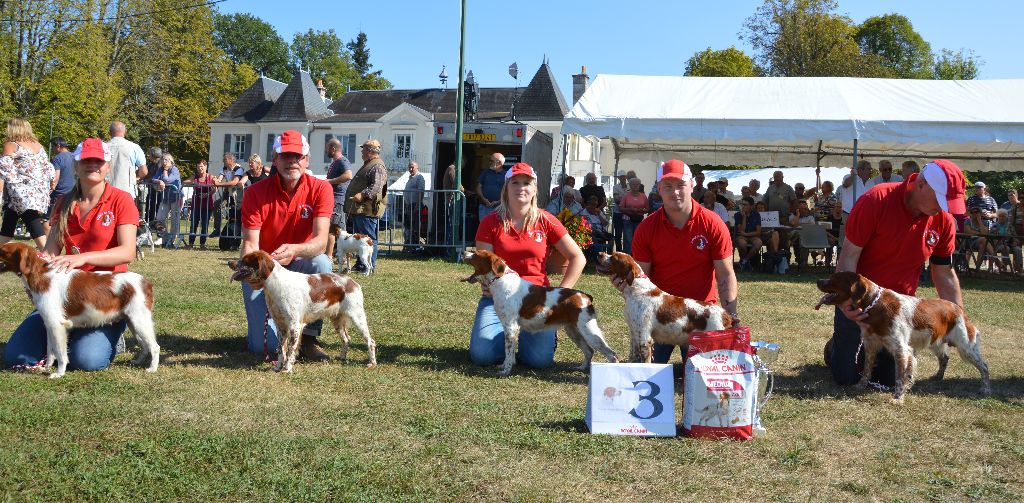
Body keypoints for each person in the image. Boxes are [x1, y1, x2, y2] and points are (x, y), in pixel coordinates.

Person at [824, 160, 967, 387]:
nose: (943, 208)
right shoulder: (875, 200)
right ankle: (836, 347)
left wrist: (959, 320)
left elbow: (944, 274)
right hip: (859, 301)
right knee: (847, 379)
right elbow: (849, 256)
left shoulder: (943, 221)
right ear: (921, 184)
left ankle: (870, 350)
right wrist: (848, 305)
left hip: (897, 311)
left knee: (891, 379)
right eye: (940, 200)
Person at [4, 138, 138, 372]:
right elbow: (50, 252)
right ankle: (69, 333)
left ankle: (113, 336)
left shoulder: (121, 200)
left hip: (104, 298)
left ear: (108, 165)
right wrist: (30, 273)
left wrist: (83, 258)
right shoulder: (64, 203)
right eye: (86, 160)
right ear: (76, 165)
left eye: (99, 161)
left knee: (87, 361)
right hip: (62, 294)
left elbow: (127, 252)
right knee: (17, 356)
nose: (93, 165)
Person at [469, 162, 586, 368]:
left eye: (526, 183)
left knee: (538, 361)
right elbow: (483, 264)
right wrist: (486, 284)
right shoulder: (490, 222)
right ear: (506, 187)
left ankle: (539, 338)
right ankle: (508, 340)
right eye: (515, 182)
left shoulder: (546, 220)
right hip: (500, 298)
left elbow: (578, 257)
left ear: (534, 190)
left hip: (538, 300)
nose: (521, 187)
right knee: (483, 356)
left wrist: (562, 293)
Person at [622, 159, 739, 363]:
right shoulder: (647, 228)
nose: (675, 192)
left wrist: (730, 315)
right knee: (646, 371)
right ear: (659, 189)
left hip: (699, 318)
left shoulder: (713, 224)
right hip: (659, 316)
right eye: (668, 186)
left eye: (680, 185)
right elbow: (642, 278)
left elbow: (725, 274)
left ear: (692, 186)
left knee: (702, 376)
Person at [239, 130, 333, 360]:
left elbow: (321, 241)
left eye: (298, 156)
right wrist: (253, 274)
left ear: (307, 160)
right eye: (286, 155)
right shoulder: (254, 192)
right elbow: (250, 244)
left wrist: (295, 249)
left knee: (321, 261)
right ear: (275, 158)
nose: (292, 161)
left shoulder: (322, 189)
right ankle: (277, 331)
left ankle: (309, 338)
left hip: (300, 265)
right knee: (265, 348)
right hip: (266, 270)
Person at [0, 118, 53, 249]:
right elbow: (48, 169)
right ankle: (3, 254)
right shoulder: (38, 145)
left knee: (32, 221)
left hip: (21, 193)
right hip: (38, 192)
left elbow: (4, 170)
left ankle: (49, 257)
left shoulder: (11, 145)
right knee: (8, 226)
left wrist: (4, 191)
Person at [344, 139, 387, 273]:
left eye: (364, 149)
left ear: (370, 151)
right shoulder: (370, 164)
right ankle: (361, 264)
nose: (362, 151)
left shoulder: (377, 166)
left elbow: (376, 187)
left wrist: (362, 195)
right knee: (362, 239)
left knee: (368, 239)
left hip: (367, 209)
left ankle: (368, 265)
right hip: (361, 209)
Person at [323, 139, 353, 265]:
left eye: (327, 148)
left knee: (332, 229)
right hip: (335, 199)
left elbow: (348, 175)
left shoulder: (342, 161)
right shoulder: (335, 163)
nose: (326, 151)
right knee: (342, 231)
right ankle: (346, 259)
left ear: (333, 149)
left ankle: (328, 258)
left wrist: (329, 182)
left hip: (337, 199)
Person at [105, 121, 147, 201]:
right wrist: (136, 178)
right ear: (125, 132)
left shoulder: (103, 147)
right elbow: (144, 171)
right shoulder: (134, 147)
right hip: (127, 191)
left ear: (110, 133)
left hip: (106, 191)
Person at [151, 153, 182, 249]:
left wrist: (164, 171)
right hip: (165, 197)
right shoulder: (160, 169)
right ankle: (164, 238)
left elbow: (167, 180)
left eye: (166, 160)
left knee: (174, 219)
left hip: (176, 197)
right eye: (163, 160)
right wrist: (159, 181)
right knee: (160, 217)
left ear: (171, 161)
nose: (164, 162)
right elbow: (153, 178)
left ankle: (171, 240)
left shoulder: (174, 170)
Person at [182, 159, 215, 249]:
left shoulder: (210, 177)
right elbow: (184, 182)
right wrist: (192, 182)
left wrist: (206, 194)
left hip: (207, 204)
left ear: (206, 167)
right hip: (196, 204)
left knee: (204, 225)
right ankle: (191, 244)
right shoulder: (195, 177)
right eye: (198, 166)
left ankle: (202, 244)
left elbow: (215, 189)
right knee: (193, 224)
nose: (200, 168)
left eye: (201, 166)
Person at [211, 152, 244, 237]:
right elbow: (219, 179)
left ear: (230, 160)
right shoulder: (224, 168)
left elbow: (234, 182)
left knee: (239, 215)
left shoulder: (239, 169)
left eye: (225, 159)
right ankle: (217, 229)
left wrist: (219, 184)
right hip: (228, 192)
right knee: (217, 204)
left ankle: (243, 236)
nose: (223, 161)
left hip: (238, 195)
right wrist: (215, 180)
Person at [46, 137, 76, 228]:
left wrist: (49, 192)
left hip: (59, 194)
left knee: (49, 220)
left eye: (53, 147)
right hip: (74, 193)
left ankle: (47, 241)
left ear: (58, 146)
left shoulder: (57, 159)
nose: (52, 149)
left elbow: (55, 178)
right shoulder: (75, 157)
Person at [619, 177, 648, 254]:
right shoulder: (626, 195)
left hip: (639, 220)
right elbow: (621, 208)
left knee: (638, 239)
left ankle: (636, 255)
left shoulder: (643, 196)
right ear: (630, 186)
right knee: (628, 239)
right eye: (633, 184)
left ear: (639, 185)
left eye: (637, 184)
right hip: (627, 219)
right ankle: (627, 256)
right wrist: (630, 210)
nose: (635, 186)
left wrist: (641, 211)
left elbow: (647, 208)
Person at [733, 196, 763, 272]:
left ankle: (745, 260)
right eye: (742, 204)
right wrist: (744, 217)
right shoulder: (738, 215)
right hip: (740, 236)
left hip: (752, 236)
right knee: (742, 244)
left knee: (758, 243)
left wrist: (746, 234)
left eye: (745, 205)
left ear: (751, 206)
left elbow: (758, 231)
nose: (743, 206)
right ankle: (745, 262)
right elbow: (741, 230)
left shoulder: (756, 214)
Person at [476, 153, 506, 221]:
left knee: (497, 229)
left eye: (492, 161)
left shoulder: (506, 175)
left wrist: (498, 202)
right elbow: (478, 187)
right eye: (490, 160)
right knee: (483, 228)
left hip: (499, 208)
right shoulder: (485, 172)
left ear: (499, 163)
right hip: (484, 207)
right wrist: (484, 199)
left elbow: (508, 192)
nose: (490, 162)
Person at [403, 160, 426, 250]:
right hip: (409, 206)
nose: (411, 169)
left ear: (417, 167)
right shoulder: (410, 178)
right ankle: (408, 245)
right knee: (408, 226)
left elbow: (421, 191)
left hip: (415, 206)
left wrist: (418, 204)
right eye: (409, 167)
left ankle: (414, 246)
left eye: (412, 167)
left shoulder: (420, 177)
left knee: (415, 227)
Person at [962, 207, 993, 271]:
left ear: (980, 213)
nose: (974, 214)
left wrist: (979, 221)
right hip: (970, 242)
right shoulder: (968, 221)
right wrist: (979, 233)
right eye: (972, 212)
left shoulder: (985, 222)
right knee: (984, 239)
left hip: (980, 242)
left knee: (982, 246)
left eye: (976, 212)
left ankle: (977, 268)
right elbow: (968, 232)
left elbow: (985, 233)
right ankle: (997, 260)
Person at [141, 147, 163, 223]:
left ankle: (156, 227)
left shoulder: (160, 164)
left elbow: (156, 177)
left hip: (159, 192)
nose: (149, 155)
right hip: (152, 191)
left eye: (150, 154)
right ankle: (149, 226)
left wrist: (147, 180)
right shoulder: (151, 164)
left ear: (154, 155)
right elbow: (146, 174)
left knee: (156, 211)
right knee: (149, 209)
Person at [611, 171, 632, 252]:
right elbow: (616, 200)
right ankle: (619, 251)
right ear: (619, 178)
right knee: (618, 234)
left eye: (623, 176)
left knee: (628, 235)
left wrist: (622, 199)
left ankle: (627, 252)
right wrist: (628, 200)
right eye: (621, 176)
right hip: (618, 213)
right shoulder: (615, 187)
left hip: (628, 213)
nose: (622, 178)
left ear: (625, 177)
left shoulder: (630, 186)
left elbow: (619, 199)